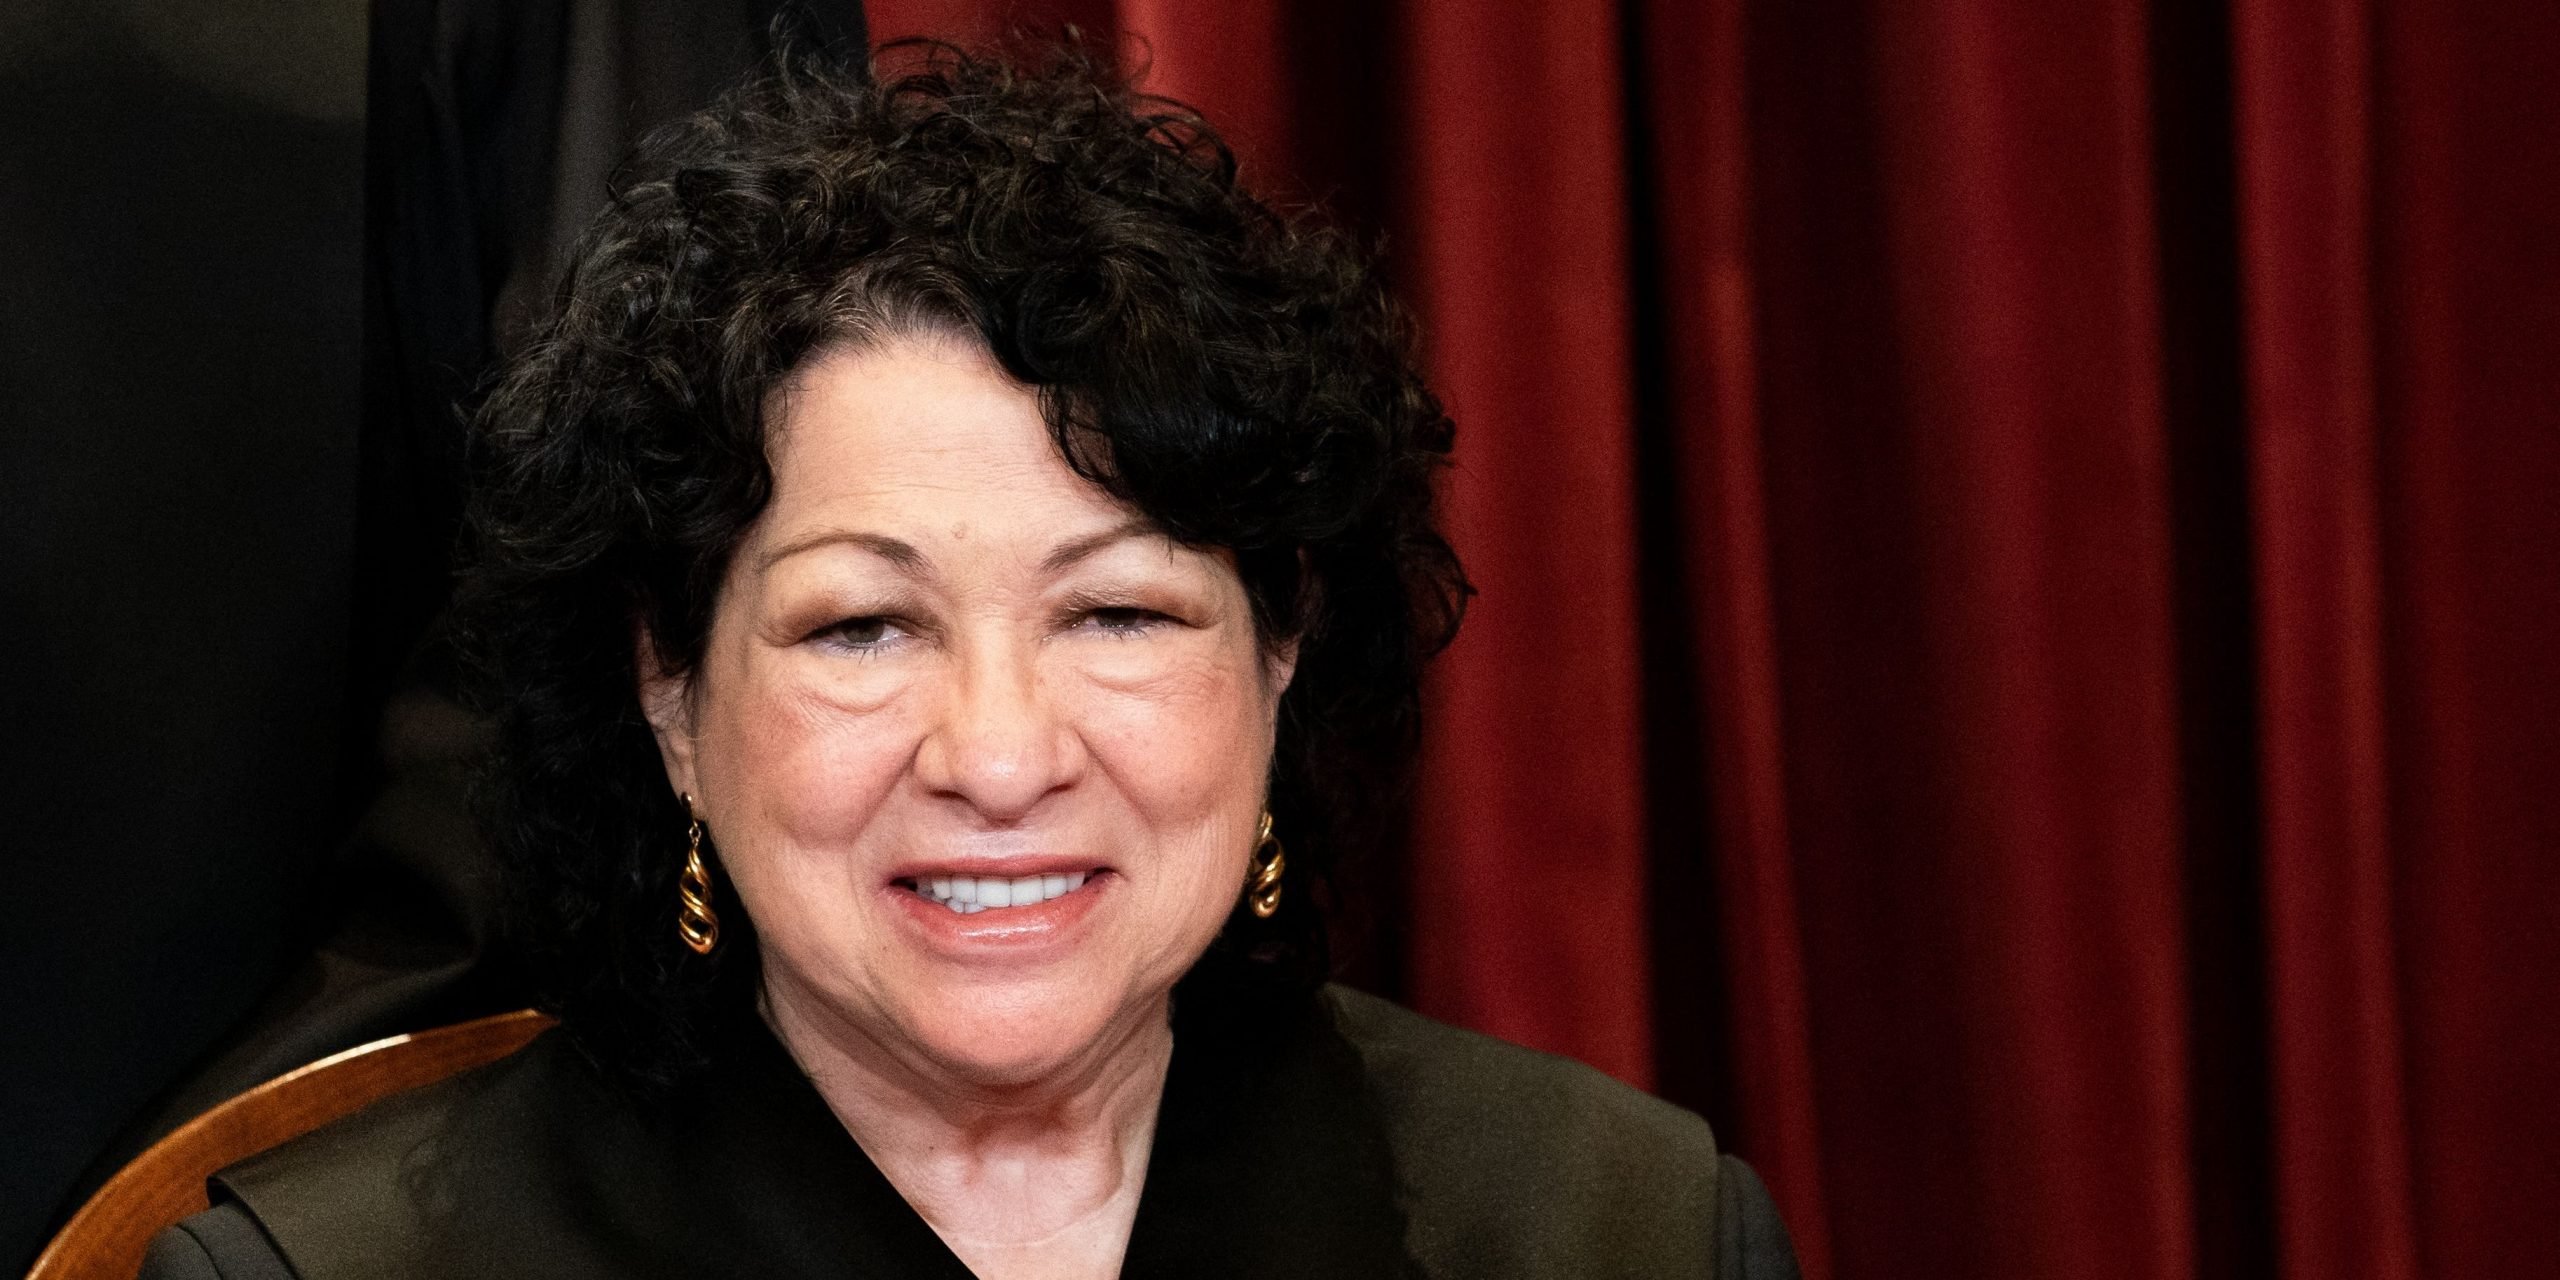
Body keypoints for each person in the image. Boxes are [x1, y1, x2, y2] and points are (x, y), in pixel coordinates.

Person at [140, 39, 1801, 1280]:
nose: (999, 757)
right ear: (668, 693)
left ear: (1282, 648)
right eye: (863, 626)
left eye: (1118, 614)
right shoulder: (310, 1277)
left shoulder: (1623, 1228)